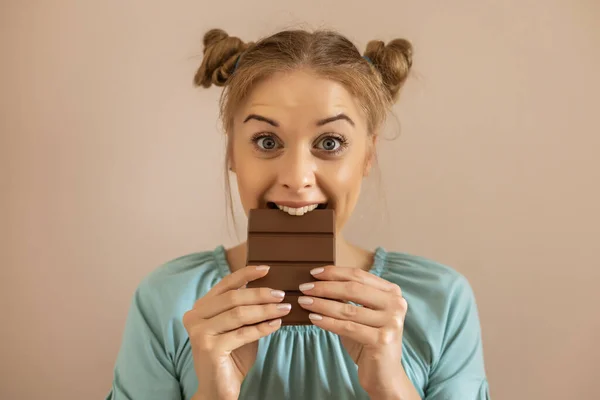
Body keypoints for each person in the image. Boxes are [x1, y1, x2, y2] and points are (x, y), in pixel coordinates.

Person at [106, 28, 490, 400]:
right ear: (231, 152)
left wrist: (391, 389)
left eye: (329, 142)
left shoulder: (441, 301)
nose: (295, 178)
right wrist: (213, 395)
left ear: (368, 154)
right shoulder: (168, 301)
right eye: (267, 141)